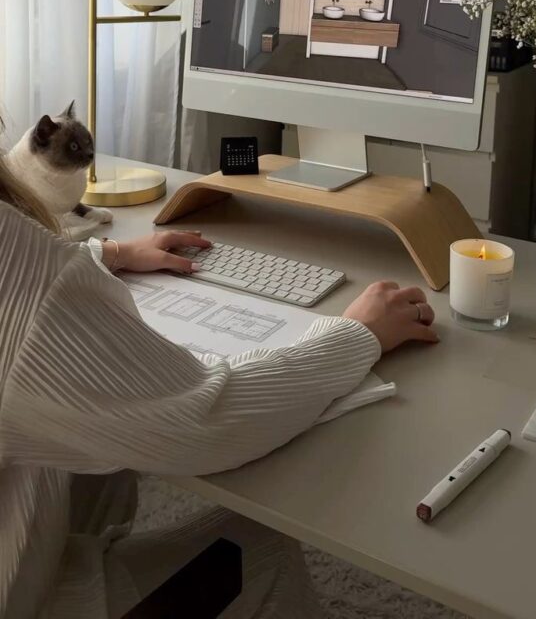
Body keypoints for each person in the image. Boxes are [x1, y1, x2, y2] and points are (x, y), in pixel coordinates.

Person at [0, 52, 438, 618]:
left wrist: (106, 252)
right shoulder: (25, 276)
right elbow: (208, 418)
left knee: (99, 473)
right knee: (261, 548)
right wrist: (357, 334)